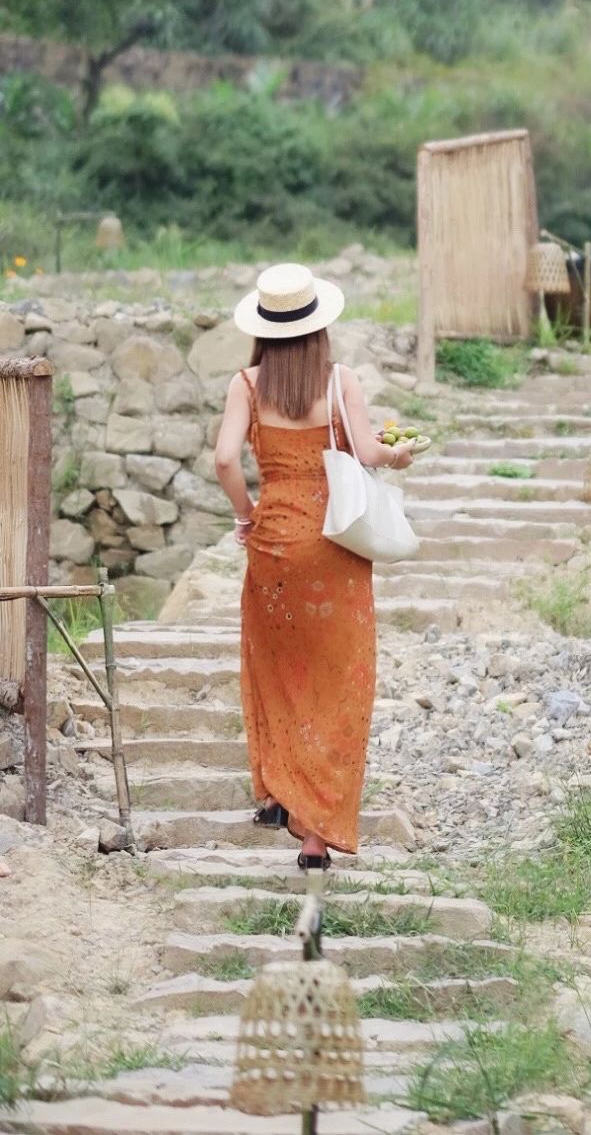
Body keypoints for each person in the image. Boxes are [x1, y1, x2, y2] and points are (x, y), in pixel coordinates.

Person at [214, 263, 413, 871]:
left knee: (278, 672)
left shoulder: (246, 385)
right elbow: (367, 449)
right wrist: (399, 455)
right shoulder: (339, 380)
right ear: (318, 325)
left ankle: (279, 792)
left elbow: (225, 459)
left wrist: (246, 514)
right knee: (339, 682)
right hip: (335, 547)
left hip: (273, 546)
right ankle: (316, 837)